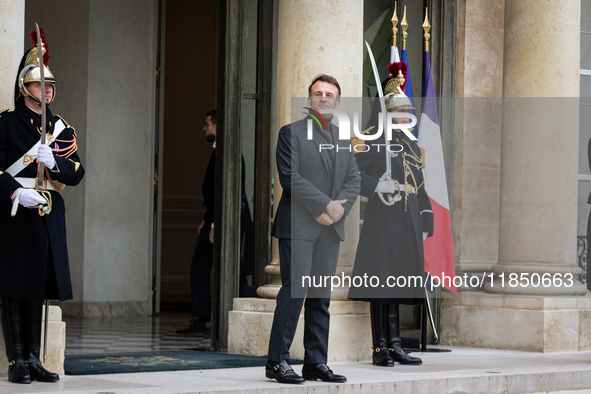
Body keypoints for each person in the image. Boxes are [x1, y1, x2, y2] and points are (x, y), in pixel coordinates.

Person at [0, 30, 85, 383]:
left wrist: (54, 163)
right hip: (16, 213)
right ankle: (16, 359)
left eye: (50, 85)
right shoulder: (6, 122)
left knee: (38, 287)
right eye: (39, 85)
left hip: (48, 214)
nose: (47, 90)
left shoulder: (60, 128)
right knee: (14, 286)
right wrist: (16, 193)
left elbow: (77, 172)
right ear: (25, 89)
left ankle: (34, 358)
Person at [266, 74, 360, 384]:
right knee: (294, 292)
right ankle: (276, 361)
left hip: (329, 229)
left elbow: (354, 181)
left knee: (320, 297)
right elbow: (290, 178)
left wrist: (336, 212)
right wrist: (325, 206)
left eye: (329, 94)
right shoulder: (290, 133)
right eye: (317, 93)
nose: (323, 98)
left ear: (336, 101)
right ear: (309, 101)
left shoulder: (344, 138)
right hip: (298, 226)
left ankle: (316, 362)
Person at [348, 63, 433, 367]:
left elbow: (420, 183)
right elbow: (353, 176)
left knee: (398, 280)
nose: (403, 115)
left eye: (406, 110)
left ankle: (396, 344)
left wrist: (426, 218)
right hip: (383, 217)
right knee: (380, 282)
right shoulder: (371, 137)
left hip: (406, 219)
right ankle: (379, 347)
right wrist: (376, 186)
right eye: (398, 110)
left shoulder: (409, 142)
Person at [176, 110, 253, 335]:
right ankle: (214, 317)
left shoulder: (227, 152)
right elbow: (214, 192)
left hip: (225, 220)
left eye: (207, 124)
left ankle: (211, 318)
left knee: (206, 265)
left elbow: (227, 192)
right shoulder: (222, 150)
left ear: (217, 127)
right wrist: (207, 218)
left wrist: (214, 224)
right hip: (217, 218)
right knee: (216, 266)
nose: (204, 128)